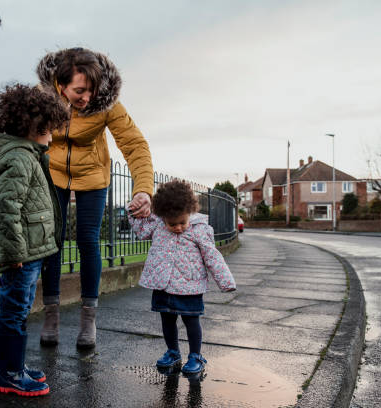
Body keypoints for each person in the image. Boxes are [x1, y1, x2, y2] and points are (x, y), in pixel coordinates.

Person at [36, 47, 154, 349]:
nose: (86, 98)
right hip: (53, 171)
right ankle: (51, 315)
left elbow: (134, 144)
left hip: (92, 174)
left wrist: (143, 189)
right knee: (53, 241)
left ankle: (88, 319)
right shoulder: (43, 97)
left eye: (91, 90)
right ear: (60, 85)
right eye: (78, 91)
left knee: (89, 240)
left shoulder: (106, 104)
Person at [0, 84, 69, 396]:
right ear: (32, 127)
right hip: (22, 255)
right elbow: (5, 209)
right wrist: (14, 253)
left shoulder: (26, 154)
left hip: (30, 252)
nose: (52, 136)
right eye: (48, 129)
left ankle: (13, 366)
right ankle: (8, 374)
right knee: (14, 313)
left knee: (19, 312)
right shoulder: (20, 157)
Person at [128, 180, 236, 375]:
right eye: (172, 224)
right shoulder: (158, 226)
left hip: (190, 286)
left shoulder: (200, 230)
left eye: (182, 222)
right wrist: (134, 211)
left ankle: (195, 355)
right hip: (164, 284)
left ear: (190, 213)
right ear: (162, 217)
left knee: (191, 321)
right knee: (167, 320)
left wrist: (225, 281)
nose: (177, 227)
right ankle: (173, 352)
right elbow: (141, 230)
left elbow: (212, 256)